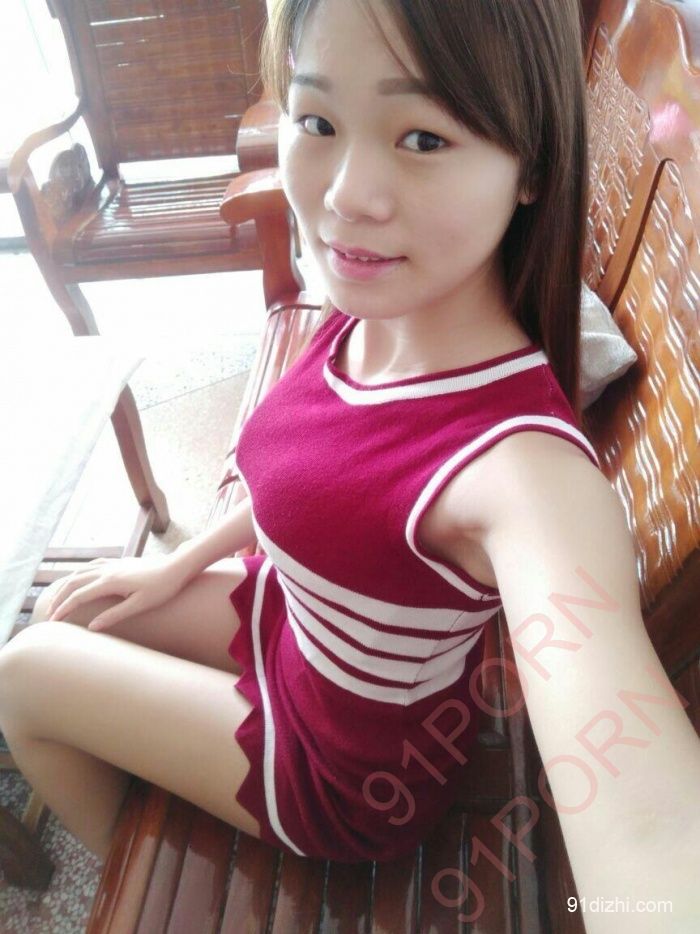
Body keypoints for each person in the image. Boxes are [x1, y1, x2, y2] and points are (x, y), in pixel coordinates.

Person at [0, 0, 698, 928]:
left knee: (25, 674)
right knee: (71, 608)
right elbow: (315, 472)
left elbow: (646, 820)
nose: (344, 195)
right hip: (294, 623)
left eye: (423, 138)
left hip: (342, 771)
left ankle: (150, 878)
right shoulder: (382, 305)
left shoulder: (521, 471)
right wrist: (177, 564)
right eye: (319, 120)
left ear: (532, 164)